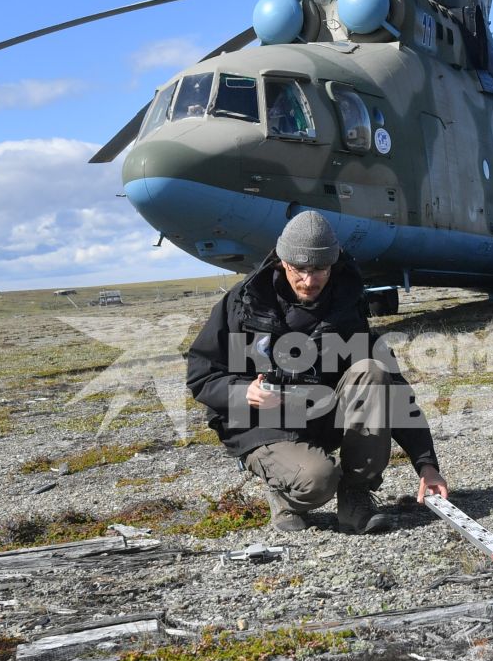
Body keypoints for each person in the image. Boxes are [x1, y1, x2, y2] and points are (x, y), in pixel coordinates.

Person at [186, 211, 446, 533]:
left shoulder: (346, 308)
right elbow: (201, 375)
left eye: (320, 269)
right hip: (262, 426)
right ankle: (284, 494)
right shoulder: (241, 304)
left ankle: (355, 495)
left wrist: (426, 464)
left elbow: (394, 385)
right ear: (283, 261)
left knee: (373, 371)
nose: (309, 281)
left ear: (332, 265)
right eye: (300, 269)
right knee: (318, 480)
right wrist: (243, 392)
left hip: (319, 416)